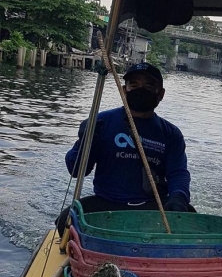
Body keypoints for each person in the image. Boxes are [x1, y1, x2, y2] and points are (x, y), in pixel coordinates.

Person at [60, 62, 192, 229]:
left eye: (149, 86)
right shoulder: (101, 123)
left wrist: (178, 197)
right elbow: (76, 170)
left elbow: (178, 173)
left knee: (189, 216)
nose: (141, 90)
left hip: (151, 207)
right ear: (124, 91)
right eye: (134, 85)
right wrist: (84, 141)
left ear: (161, 94)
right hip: (107, 204)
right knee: (65, 221)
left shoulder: (171, 134)